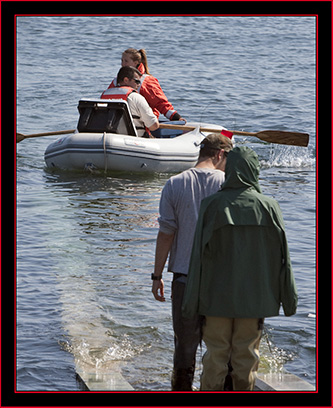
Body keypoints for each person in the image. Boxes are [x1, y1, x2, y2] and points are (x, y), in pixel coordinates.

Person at [182, 146, 298, 391]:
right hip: (254, 301)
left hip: (215, 300)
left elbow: (197, 259)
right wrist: (289, 299)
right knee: (246, 361)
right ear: (255, 170)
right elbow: (284, 259)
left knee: (215, 358)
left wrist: (190, 302)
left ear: (229, 169)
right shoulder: (269, 207)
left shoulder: (211, 205)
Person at [151, 134, 233, 391]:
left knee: (184, 351)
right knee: (223, 351)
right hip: (220, 281)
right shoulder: (228, 185)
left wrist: (156, 276)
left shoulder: (174, 184)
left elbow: (166, 233)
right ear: (220, 154)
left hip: (184, 280)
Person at [101, 48, 186, 122]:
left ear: (136, 63)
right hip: (120, 122)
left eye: (126, 61)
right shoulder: (116, 81)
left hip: (145, 124)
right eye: (122, 61)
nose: (123, 64)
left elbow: (161, 103)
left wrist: (176, 117)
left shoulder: (146, 81)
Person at [101, 66, 159, 137]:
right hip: (133, 140)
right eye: (137, 81)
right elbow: (154, 126)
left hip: (108, 137)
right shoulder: (135, 97)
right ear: (126, 80)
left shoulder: (104, 96)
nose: (139, 85)